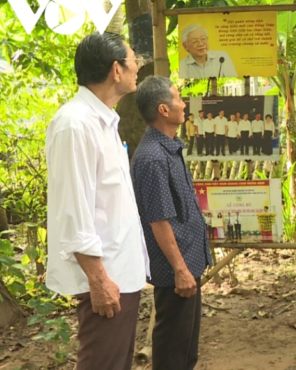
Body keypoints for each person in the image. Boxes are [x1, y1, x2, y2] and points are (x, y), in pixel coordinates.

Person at [45, 32, 148, 370]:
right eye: (133, 59)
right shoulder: (75, 124)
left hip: (121, 271)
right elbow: (73, 212)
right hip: (106, 277)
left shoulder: (104, 121)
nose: (138, 66)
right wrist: (99, 279)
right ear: (116, 70)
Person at [131, 76, 212, 370]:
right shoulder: (153, 157)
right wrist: (180, 270)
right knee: (172, 352)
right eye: (178, 98)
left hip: (188, 262)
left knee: (186, 350)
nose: (184, 103)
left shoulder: (168, 147)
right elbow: (158, 220)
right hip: (174, 270)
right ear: (164, 110)